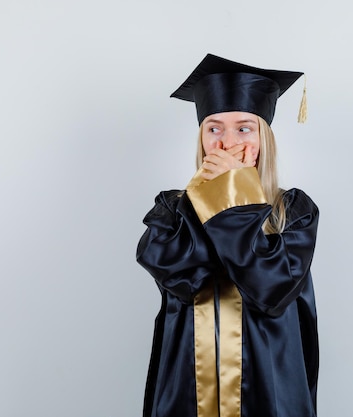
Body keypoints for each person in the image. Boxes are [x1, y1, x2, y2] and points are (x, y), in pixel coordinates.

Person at [136, 54, 320, 417]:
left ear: (264, 137)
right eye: (214, 128)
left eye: (244, 128)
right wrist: (205, 198)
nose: (225, 142)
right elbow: (181, 279)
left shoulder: (293, 210)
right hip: (188, 384)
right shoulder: (173, 209)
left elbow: (271, 290)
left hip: (268, 385)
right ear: (202, 138)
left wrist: (236, 194)